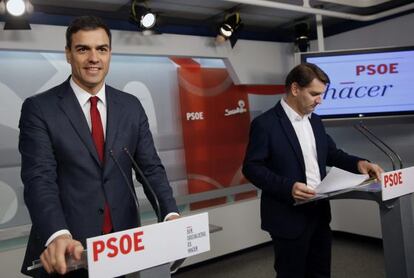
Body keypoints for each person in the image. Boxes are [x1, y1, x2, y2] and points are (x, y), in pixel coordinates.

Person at [19, 16, 179, 277]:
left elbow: (150, 169)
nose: (94, 58)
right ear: (68, 54)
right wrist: (57, 233)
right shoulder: (39, 109)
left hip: (122, 245)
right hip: (70, 249)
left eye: (101, 49)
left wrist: (170, 214)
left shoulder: (131, 106)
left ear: (110, 54)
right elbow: (39, 179)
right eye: (83, 49)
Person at [242, 63, 383, 278]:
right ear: (295, 89)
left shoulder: (316, 121)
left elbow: (331, 153)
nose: (320, 100)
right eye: (314, 94)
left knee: (320, 273)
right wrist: (288, 187)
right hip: (287, 217)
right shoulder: (265, 124)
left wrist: (359, 163)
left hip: (319, 214)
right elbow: (251, 167)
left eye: (322, 94)